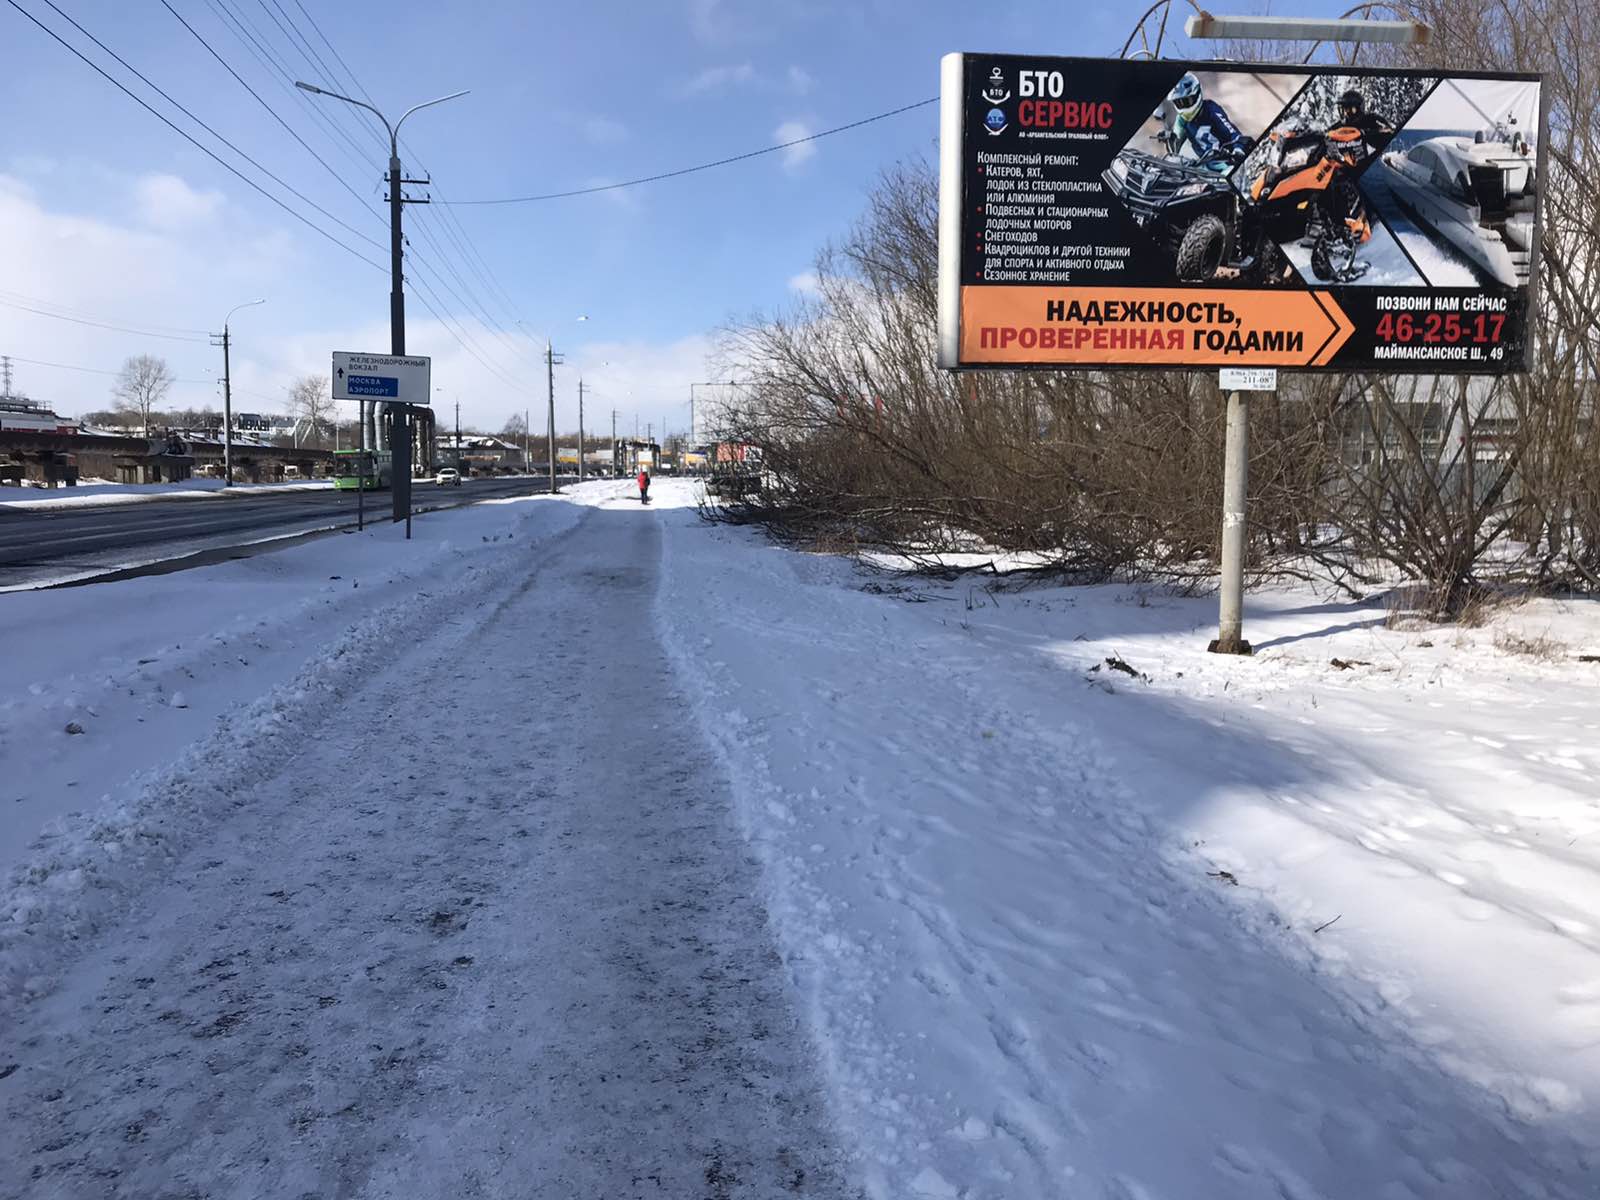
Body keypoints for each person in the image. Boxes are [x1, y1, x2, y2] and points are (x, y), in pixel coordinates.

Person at [1167, 72, 1250, 168]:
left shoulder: (1211, 110)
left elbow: (1233, 134)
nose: (1184, 106)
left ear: (1197, 95)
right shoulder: (1181, 119)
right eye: (1178, 103)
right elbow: (1175, 145)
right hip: (1201, 167)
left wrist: (1238, 150)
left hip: (1225, 164)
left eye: (1187, 101)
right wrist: (1169, 137)